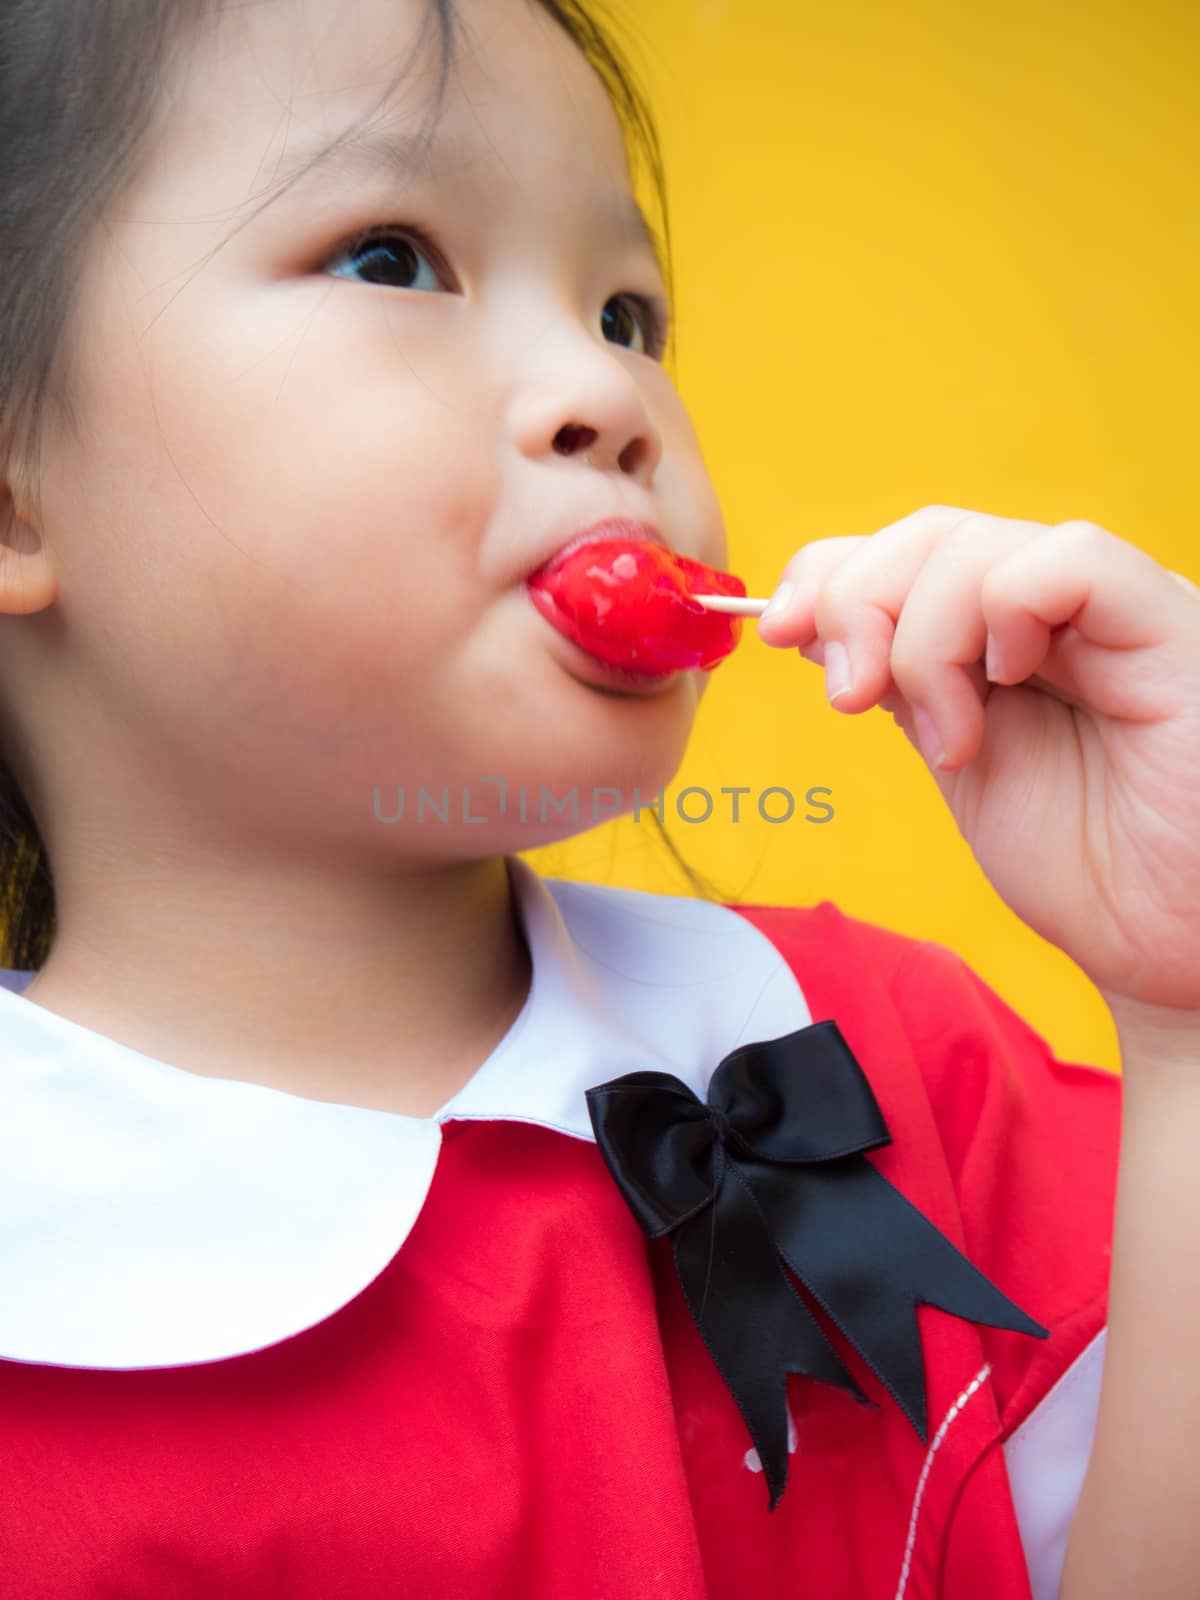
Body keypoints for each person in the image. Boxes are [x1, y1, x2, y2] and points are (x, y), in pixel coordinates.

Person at [0, 1, 1196, 1596]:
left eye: (627, 311)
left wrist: (1184, 1024)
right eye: (390, 258)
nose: (605, 391)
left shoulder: (882, 1055)